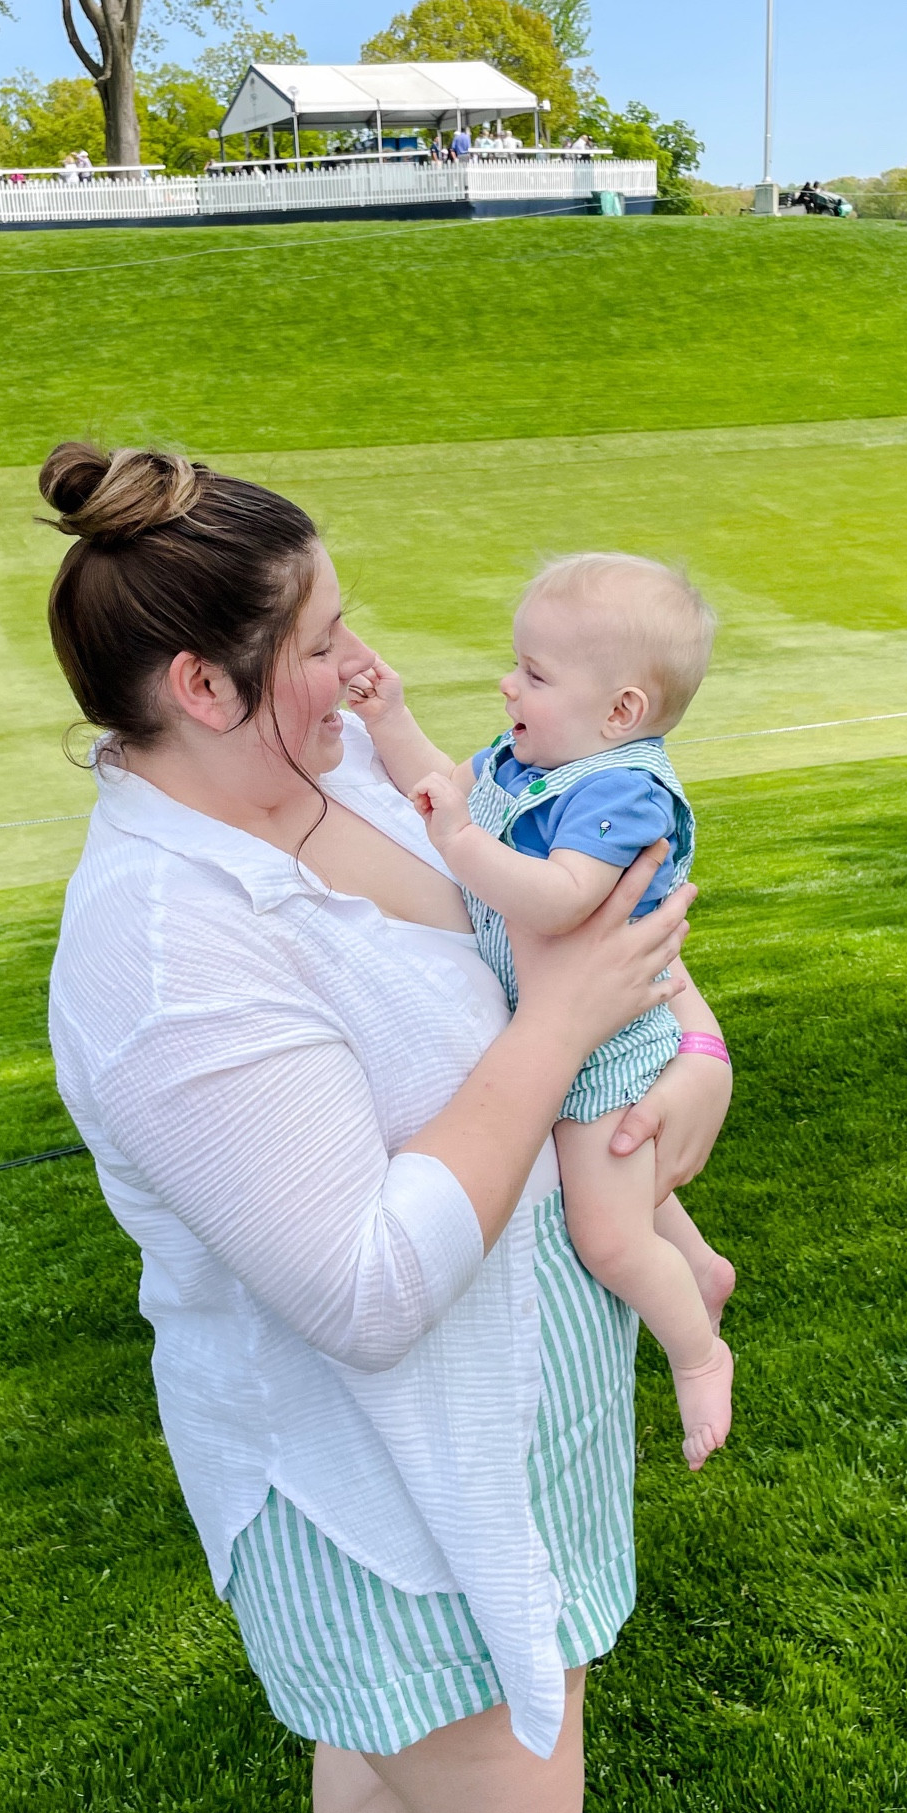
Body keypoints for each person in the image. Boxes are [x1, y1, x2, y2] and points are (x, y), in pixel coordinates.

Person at [40, 446, 732, 1813]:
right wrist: (563, 1030)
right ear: (200, 687)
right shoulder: (165, 951)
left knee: (378, 1802)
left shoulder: (345, 765)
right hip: (394, 1497)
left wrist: (693, 1057)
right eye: (321, 636)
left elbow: (588, 925)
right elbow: (362, 1289)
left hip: (523, 1411)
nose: (359, 660)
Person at [347, 554, 735, 1470]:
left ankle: (697, 1351)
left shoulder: (621, 793)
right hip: (573, 1022)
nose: (506, 682)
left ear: (620, 713)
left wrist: (459, 842)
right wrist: (390, 718)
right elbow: (447, 785)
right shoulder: (539, 760)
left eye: (534, 673)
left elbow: (559, 899)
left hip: (607, 1049)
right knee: (613, 1185)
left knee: (604, 1232)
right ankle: (700, 1265)